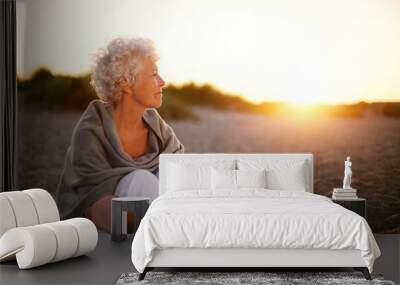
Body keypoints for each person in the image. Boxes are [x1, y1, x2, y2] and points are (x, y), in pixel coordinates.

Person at [56, 37, 184, 232]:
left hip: (145, 216)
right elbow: (90, 200)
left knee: (168, 177)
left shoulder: (156, 125)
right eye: (154, 75)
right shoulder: (91, 131)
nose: (162, 82)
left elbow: (181, 167)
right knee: (143, 179)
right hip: (108, 217)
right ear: (125, 82)